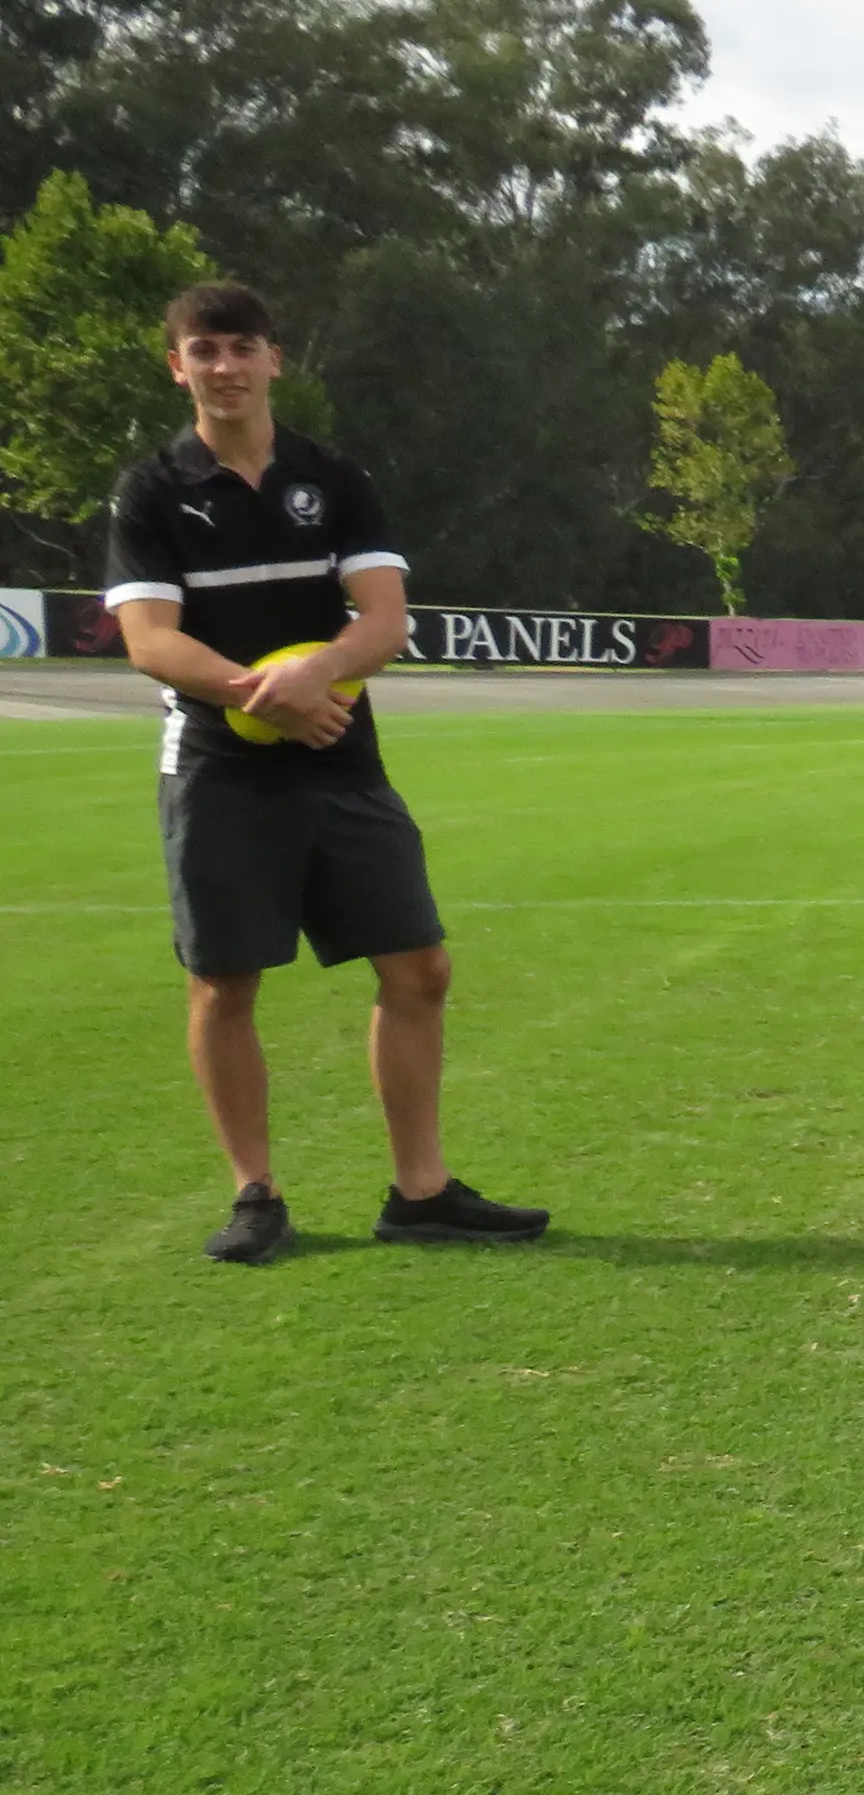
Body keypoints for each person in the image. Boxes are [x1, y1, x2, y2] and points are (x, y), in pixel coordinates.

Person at [103, 283, 545, 1265]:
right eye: (204, 350)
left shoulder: (333, 477)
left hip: (342, 759)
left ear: (275, 359)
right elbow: (149, 641)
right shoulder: (150, 491)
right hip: (218, 768)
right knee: (225, 981)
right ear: (177, 367)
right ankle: (255, 1194)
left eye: (242, 347)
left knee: (419, 967)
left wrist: (319, 675)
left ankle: (421, 1192)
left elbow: (384, 619)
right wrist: (264, 694)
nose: (225, 367)